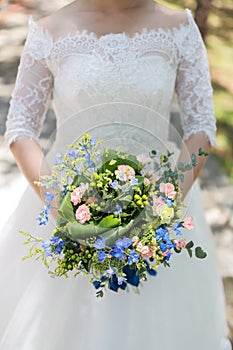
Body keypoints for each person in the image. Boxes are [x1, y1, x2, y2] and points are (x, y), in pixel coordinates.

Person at [1, 0, 231, 349]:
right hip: (67, 211)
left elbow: (200, 128)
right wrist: (64, 210)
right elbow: (20, 130)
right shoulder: (49, 31)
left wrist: (161, 207)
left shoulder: (179, 28)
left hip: (160, 210)